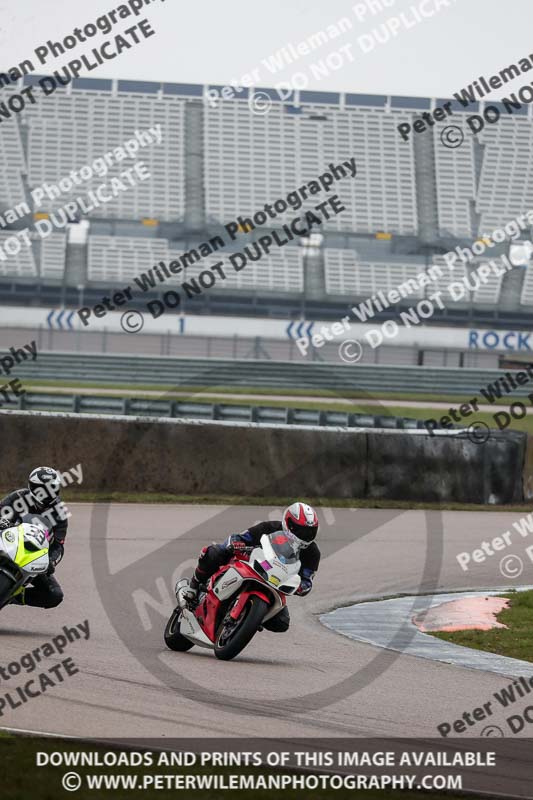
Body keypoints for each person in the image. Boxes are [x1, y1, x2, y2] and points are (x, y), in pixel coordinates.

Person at [184, 502, 320, 632]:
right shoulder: (270, 527)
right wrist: (236, 543)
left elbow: (307, 579)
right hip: (252, 563)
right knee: (215, 552)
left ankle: (248, 619)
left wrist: (302, 587)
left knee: (282, 622)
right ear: (289, 524)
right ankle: (194, 587)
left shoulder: (313, 553)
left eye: (309, 532)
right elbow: (242, 536)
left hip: (275, 583)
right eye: (301, 531)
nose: (305, 536)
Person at [0, 467, 68, 608]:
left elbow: (59, 545)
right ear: (32, 487)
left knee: (54, 595)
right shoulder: (18, 498)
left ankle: (14, 595)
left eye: (52, 488)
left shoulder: (60, 512)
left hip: (33, 557)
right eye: (43, 489)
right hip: (8, 544)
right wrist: (3, 522)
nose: (48, 493)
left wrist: (51, 561)